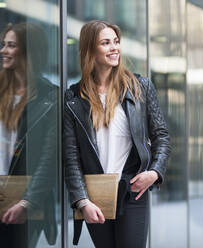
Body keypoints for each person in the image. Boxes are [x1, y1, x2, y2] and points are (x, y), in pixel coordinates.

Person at [63, 20, 170, 248]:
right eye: (106, 43)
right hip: (95, 195)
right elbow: (71, 157)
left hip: (132, 190)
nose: (114, 48)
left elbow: (161, 135)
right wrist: (82, 200)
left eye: (116, 41)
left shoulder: (140, 87)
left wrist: (154, 172)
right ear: (90, 49)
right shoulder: (73, 97)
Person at [0, 23, 58, 247]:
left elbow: (49, 158)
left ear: (28, 53)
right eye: (3, 44)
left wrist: (29, 201)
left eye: (11, 45)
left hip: (22, 201)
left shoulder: (50, 97)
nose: (3, 50)